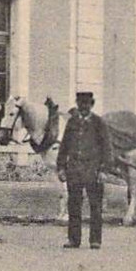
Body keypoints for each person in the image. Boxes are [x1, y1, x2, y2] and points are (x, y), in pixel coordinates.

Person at [56, 90, 111, 249]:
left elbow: (107, 148)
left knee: (95, 207)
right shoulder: (72, 123)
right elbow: (64, 147)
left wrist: (104, 170)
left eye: (86, 104)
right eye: (81, 104)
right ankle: (74, 239)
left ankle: (95, 240)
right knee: (74, 206)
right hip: (74, 171)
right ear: (77, 104)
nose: (83, 107)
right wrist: (61, 168)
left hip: (93, 171)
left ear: (91, 105)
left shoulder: (99, 123)